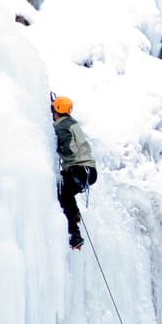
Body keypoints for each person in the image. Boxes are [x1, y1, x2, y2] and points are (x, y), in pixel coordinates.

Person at [51, 94, 97, 250]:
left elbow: (70, 150)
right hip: (87, 170)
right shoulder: (71, 123)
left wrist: (54, 147)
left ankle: (74, 234)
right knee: (66, 193)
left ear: (56, 110)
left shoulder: (61, 126)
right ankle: (75, 216)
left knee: (62, 193)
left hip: (79, 169)